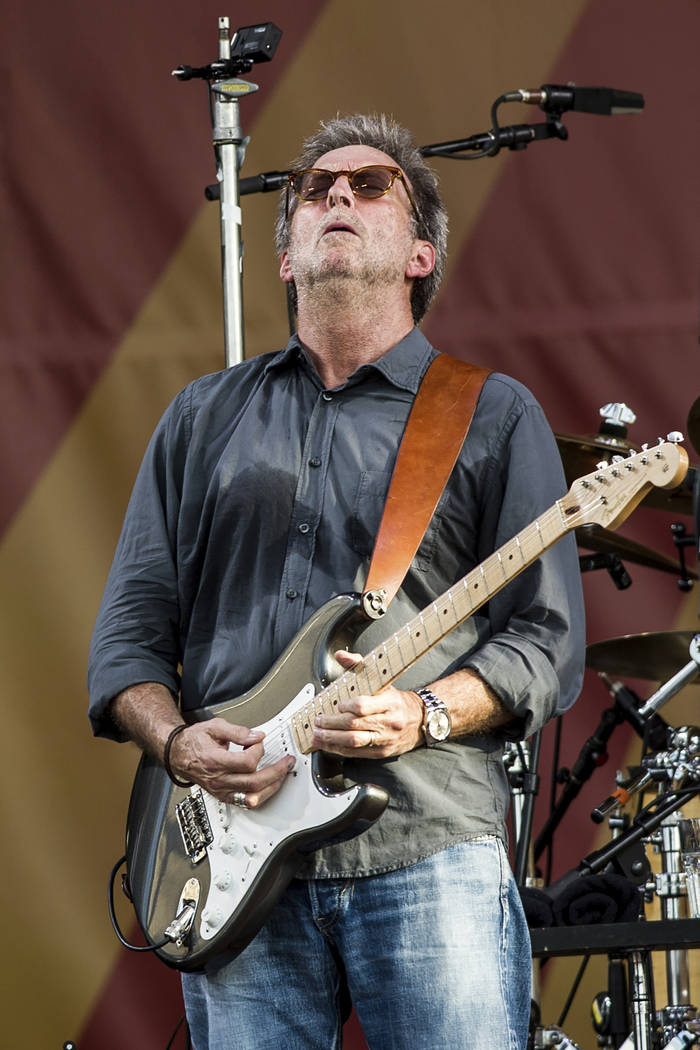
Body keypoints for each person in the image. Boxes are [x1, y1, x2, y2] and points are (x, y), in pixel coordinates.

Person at [88, 113, 585, 1050]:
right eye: (315, 190)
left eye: (369, 185)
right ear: (285, 261)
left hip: (427, 846)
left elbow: (548, 637)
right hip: (230, 861)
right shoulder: (201, 417)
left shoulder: (490, 413)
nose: (336, 198)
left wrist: (425, 712)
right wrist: (177, 741)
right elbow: (127, 637)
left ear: (420, 253)